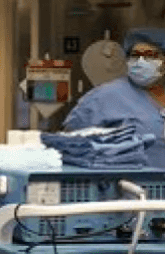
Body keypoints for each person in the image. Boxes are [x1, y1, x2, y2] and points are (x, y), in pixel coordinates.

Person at [64, 28, 165, 168]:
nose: (140, 62)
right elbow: (70, 147)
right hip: (130, 180)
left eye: (150, 56)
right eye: (134, 56)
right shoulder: (104, 97)